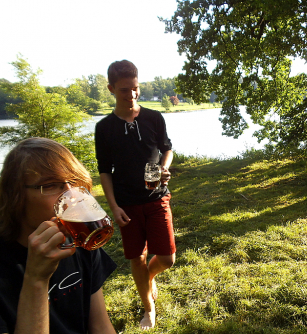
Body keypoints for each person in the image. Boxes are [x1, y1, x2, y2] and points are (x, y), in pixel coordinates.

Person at [0, 138, 118, 334]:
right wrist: (36, 280)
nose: (72, 197)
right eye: (51, 185)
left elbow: (100, 327)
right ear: (16, 196)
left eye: (74, 182)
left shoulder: (78, 243)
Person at [95, 60, 176, 330]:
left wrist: (164, 168)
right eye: (124, 90)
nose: (131, 95)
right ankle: (149, 308)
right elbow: (105, 171)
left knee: (166, 258)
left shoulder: (154, 117)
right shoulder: (104, 128)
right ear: (111, 89)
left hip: (156, 197)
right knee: (136, 258)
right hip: (127, 204)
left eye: (135, 88)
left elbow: (167, 149)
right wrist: (113, 206)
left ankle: (149, 278)